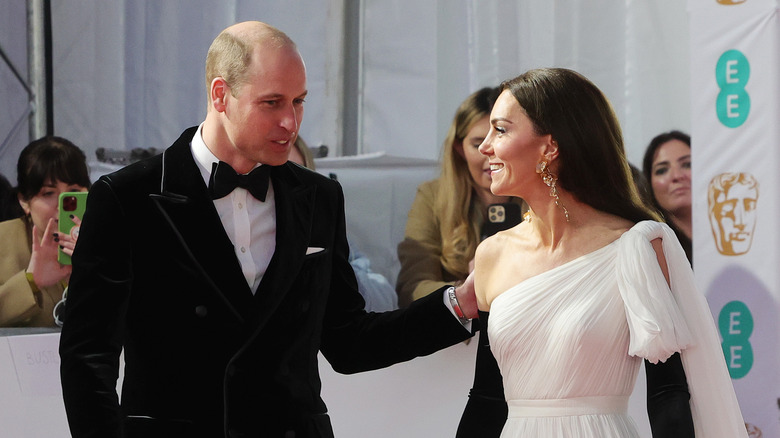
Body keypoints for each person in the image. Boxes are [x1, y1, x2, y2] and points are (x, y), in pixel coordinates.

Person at [59, 21, 477, 438]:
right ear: (221, 95)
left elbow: (349, 341)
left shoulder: (319, 198)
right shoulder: (129, 196)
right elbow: (87, 357)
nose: (290, 122)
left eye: (298, 102)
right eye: (272, 103)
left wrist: (458, 304)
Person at [474, 68, 747, 437]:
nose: (484, 147)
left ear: (549, 147)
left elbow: (668, 392)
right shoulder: (493, 254)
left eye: (501, 129)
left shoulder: (636, 246)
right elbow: (487, 399)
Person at [396, 86, 525, 437]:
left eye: (501, 137)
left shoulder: (544, 199)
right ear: (458, 147)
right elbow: (411, 285)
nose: (490, 153)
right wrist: (470, 291)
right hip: (448, 367)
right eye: (477, 142)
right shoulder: (433, 197)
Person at [0, 136, 90, 327]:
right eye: (48, 193)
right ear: (24, 201)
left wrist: (92, 271)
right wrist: (31, 280)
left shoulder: (113, 240)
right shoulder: (3, 241)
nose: (62, 204)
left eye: (73, 191)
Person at [641, 130, 692, 261]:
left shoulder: (733, 233)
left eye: (687, 164)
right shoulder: (650, 248)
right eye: (662, 170)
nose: (677, 176)